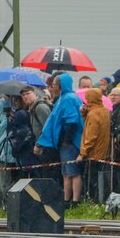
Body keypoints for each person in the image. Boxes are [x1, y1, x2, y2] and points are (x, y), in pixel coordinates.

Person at [36, 72, 86, 207]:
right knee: (66, 173)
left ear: (62, 85)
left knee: (72, 172)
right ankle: (66, 199)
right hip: (65, 142)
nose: (53, 87)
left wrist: (67, 140)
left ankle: (74, 200)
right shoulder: (63, 98)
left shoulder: (68, 98)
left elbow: (72, 120)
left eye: (55, 84)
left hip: (70, 142)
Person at [77, 88, 111, 202]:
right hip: (103, 151)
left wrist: (83, 153)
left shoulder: (93, 114)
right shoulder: (104, 110)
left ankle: (92, 202)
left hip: (93, 153)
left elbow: (91, 136)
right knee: (99, 179)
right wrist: (84, 114)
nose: (86, 100)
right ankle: (98, 200)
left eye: (87, 97)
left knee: (91, 180)